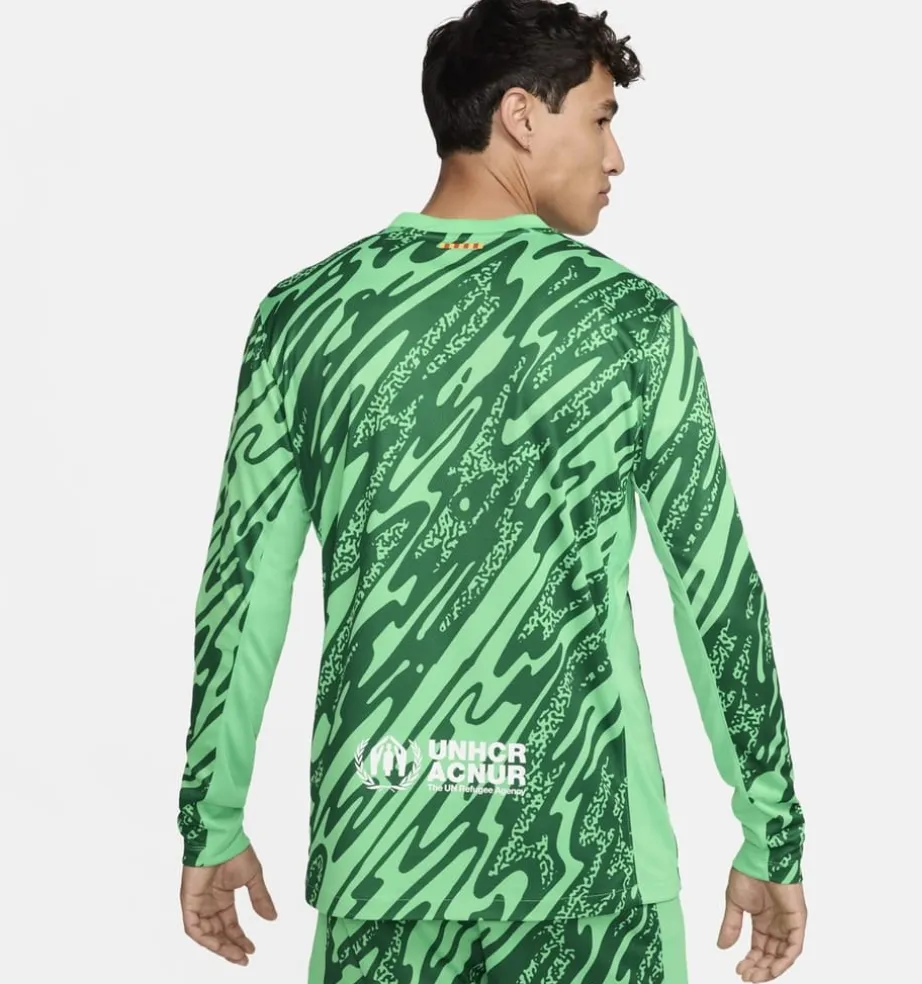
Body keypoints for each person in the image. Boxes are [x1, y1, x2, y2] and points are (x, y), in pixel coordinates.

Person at [176, 1, 808, 981]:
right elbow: (716, 593)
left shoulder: (303, 319)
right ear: (520, 115)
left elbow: (241, 593)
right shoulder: (630, 323)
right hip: (591, 874)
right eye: (600, 119)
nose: (616, 157)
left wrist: (211, 822)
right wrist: (772, 832)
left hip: (380, 861)